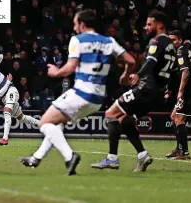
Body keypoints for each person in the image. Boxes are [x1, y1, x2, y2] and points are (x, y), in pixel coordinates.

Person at [19, 9, 136, 176]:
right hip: (97, 99)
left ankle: (69, 156)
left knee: (44, 123)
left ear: (82, 24)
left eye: (75, 24)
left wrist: (56, 72)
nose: (74, 28)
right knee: (57, 122)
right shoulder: (109, 41)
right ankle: (36, 158)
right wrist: (125, 75)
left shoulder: (78, 40)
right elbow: (130, 61)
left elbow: (71, 67)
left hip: (81, 93)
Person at [91, 11, 176, 172]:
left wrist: (138, 74)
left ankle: (112, 159)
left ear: (159, 25)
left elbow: (151, 62)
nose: (145, 27)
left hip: (146, 88)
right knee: (125, 120)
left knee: (110, 114)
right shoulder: (171, 46)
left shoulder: (156, 41)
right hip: (157, 92)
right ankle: (142, 155)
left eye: (149, 24)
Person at [165, 31, 191, 160]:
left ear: (179, 40)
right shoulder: (188, 51)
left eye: (174, 40)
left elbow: (185, 71)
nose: (172, 43)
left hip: (188, 90)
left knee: (179, 119)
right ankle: (179, 148)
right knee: (174, 117)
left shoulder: (180, 52)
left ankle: (184, 153)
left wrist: (180, 91)